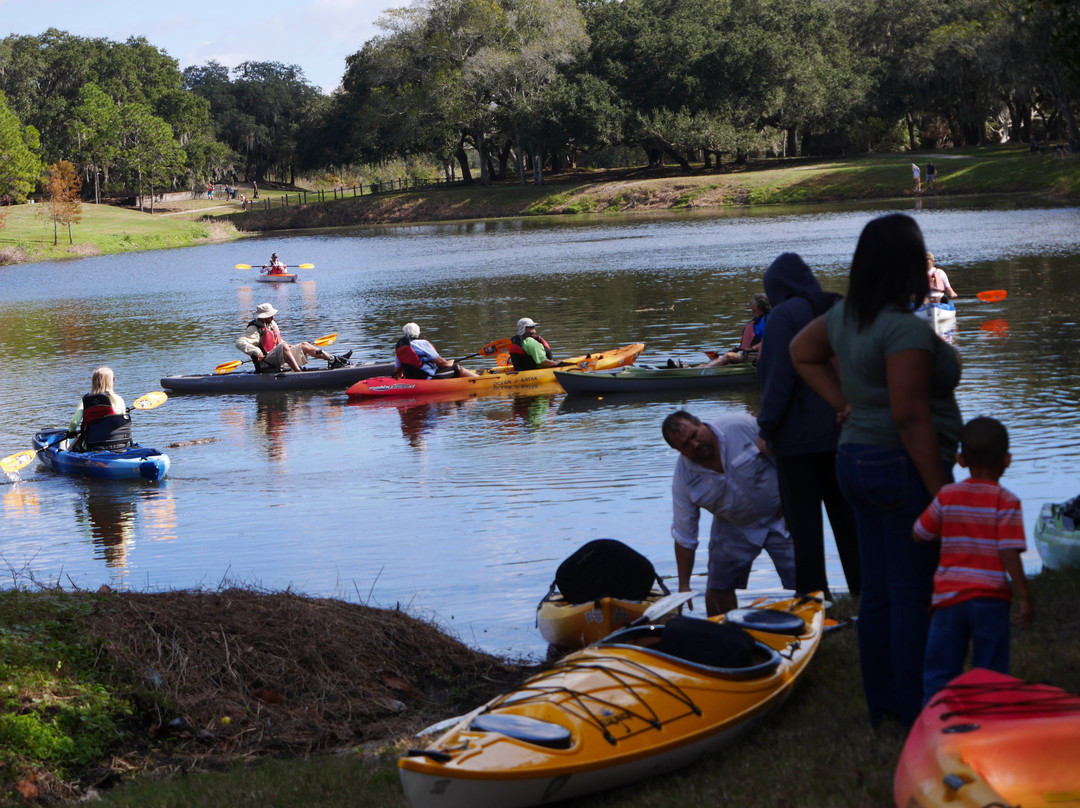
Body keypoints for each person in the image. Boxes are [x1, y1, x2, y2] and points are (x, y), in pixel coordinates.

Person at [790, 212, 963, 728]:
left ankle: (885, 709)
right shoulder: (901, 330)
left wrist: (843, 402)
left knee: (881, 594)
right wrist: (942, 495)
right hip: (899, 464)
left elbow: (803, 352)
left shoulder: (847, 318)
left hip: (855, 460)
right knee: (913, 593)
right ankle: (918, 713)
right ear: (908, 264)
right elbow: (911, 418)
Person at [755, 253, 861, 600]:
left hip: (798, 442)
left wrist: (766, 428)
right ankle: (865, 592)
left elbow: (777, 378)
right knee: (851, 524)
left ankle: (815, 599)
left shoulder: (783, 316)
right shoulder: (841, 305)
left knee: (805, 529)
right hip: (848, 434)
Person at [913, 416, 1033, 704]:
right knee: (991, 671)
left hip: (948, 601)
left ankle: (938, 722)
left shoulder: (947, 495)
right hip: (990, 599)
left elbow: (919, 533)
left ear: (960, 460)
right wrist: (1025, 595)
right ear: (1007, 460)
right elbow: (1008, 551)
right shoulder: (1006, 501)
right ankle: (990, 719)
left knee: (940, 669)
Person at [662, 410, 797, 617]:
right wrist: (684, 586)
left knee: (806, 582)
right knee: (717, 590)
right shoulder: (683, 479)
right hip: (733, 525)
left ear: (701, 424)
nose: (695, 445)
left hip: (781, 514)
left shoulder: (740, 425)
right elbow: (684, 536)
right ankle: (723, 633)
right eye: (686, 445)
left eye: (694, 435)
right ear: (678, 451)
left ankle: (823, 626)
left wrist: (792, 506)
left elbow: (786, 457)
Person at [235, 303, 351, 373]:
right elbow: (240, 342)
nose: (273, 317)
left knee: (304, 344)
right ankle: (298, 373)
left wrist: (286, 345)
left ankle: (334, 360)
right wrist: (256, 351)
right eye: (270, 315)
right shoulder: (254, 329)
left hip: (279, 358)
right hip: (267, 364)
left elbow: (278, 342)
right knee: (284, 346)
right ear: (263, 317)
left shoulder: (272, 324)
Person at [68, 367, 131, 451]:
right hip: (118, 444)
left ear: (93, 382)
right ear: (111, 381)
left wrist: (71, 433)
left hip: (92, 446)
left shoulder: (86, 401)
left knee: (75, 441)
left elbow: (74, 422)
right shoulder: (119, 400)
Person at [700, 293, 770, 367]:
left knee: (729, 356)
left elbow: (768, 340)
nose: (750, 306)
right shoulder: (757, 320)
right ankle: (693, 369)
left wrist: (751, 349)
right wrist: (739, 348)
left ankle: (701, 372)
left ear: (756, 307)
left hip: (759, 357)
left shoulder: (767, 321)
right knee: (723, 361)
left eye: (750, 304)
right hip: (749, 354)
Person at [394, 322, 479, 379]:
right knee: (457, 368)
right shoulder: (423, 343)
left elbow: (398, 372)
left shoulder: (400, 347)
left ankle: (475, 375)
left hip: (413, 378)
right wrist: (450, 362)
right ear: (418, 333)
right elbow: (441, 362)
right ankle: (480, 379)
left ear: (405, 333)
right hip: (430, 377)